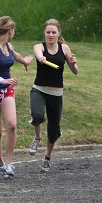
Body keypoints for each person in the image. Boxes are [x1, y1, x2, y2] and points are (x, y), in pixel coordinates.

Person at [0, 16, 33, 179]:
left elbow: (15, 56)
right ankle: (1, 162)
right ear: (10, 31)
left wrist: (25, 61)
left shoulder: (8, 46)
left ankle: (9, 163)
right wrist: (2, 80)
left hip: (6, 90)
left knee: (12, 125)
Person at [29, 18, 79, 171]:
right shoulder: (40, 47)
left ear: (58, 34)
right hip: (39, 89)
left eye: (53, 32)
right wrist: (40, 57)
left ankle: (47, 158)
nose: (50, 35)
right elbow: (37, 53)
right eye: (48, 32)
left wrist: (74, 63)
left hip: (56, 94)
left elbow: (75, 72)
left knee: (53, 132)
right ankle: (37, 138)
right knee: (37, 115)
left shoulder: (64, 48)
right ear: (44, 33)